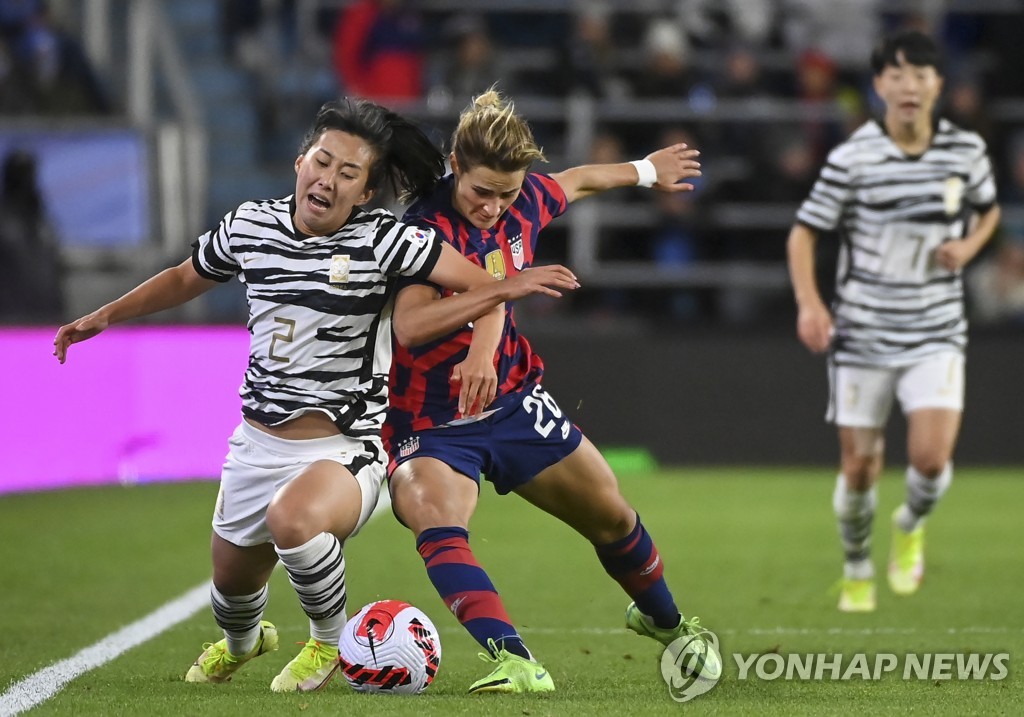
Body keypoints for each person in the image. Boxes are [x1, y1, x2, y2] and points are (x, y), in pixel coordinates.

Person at [52, 98, 579, 692]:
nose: (328, 179)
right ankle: (242, 643)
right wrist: (106, 314)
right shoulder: (250, 225)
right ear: (300, 163)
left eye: (347, 173)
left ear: (366, 195)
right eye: (322, 162)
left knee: (294, 520)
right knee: (231, 592)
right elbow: (183, 276)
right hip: (255, 445)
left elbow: (487, 285)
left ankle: (329, 641)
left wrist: (488, 340)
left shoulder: (388, 241)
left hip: (344, 447)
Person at [382, 87, 721, 694]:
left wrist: (646, 171)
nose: (491, 207)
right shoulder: (422, 229)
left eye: (505, 193)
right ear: (455, 166)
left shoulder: (526, 200)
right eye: (480, 191)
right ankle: (512, 659)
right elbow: (409, 325)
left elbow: (580, 180)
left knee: (612, 515)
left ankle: (663, 620)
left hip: (513, 401)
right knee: (438, 518)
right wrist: (496, 306)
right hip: (431, 421)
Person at [785, 31, 1000, 613]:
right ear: (879, 86)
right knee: (859, 467)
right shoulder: (854, 156)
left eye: (921, 74)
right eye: (897, 75)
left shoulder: (965, 151)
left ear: (938, 85)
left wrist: (971, 246)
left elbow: (989, 210)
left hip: (936, 329)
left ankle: (909, 525)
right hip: (863, 333)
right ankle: (857, 567)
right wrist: (810, 302)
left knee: (930, 460)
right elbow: (805, 232)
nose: (909, 86)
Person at [0, 148, 65, 323]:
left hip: (47, 315)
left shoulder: (42, 220)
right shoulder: (5, 220)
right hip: (9, 319)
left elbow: (53, 267)